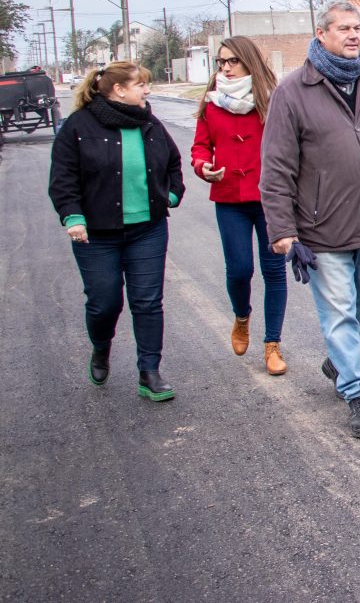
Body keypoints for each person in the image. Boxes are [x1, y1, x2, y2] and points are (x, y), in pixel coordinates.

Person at [260, 1, 360, 438]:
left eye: (358, 28)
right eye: (343, 28)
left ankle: (340, 358)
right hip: (321, 229)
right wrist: (283, 230)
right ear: (321, 34)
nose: (354, 35)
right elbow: (276, 167)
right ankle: (358, 391)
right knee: (339, 311)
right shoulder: (292, 91)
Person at [48, 61, 185, 401]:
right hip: (96, 235)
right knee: (103, 303)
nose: (148, 90)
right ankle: (100, 346)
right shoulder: (79, 126)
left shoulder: (149, 124)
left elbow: (173, 163)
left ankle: (149, 372)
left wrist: (169, 195)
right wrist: (73, 217)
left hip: (148, 230)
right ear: (119, 89)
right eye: (141, 84)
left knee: (148, 302)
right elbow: (63, 178)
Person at [191, 36, 288, 375]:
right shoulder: (211, 102)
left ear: (249, 62)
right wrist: (204, 167)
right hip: (229, 198)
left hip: (270, 199)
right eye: (221, 62)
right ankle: (242, 316)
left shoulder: (274, 99)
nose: (226, 68)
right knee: (239, 270)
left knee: (274, 271)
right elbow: (200, 148)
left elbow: (290, 147)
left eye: (232, 61)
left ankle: (272, 345)